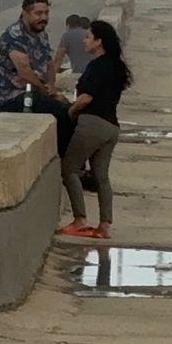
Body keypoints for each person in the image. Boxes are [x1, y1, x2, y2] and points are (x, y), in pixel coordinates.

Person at [57, 19, 132, 239]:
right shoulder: (116, 67)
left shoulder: (97, 66)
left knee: (69, 169)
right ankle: (105, 225)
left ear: (99, 42)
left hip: (92, 124)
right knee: (101, 177)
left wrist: (70, 111)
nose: (84, 40)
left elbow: (86, 98)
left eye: (89, 37)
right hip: (111, 127)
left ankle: (80, 219)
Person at [0, 0, 72, 153]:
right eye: (38, 13)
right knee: (63, 113)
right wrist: (47, 93)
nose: (43, 17)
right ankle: (65, 162)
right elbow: (25, 72)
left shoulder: (41, 35)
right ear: (25, 13)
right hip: (13, 97)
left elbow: (49, 65)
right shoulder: (12, 36)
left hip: (35, 94)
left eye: (46, 13)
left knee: (71, 110)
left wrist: (51, 86)